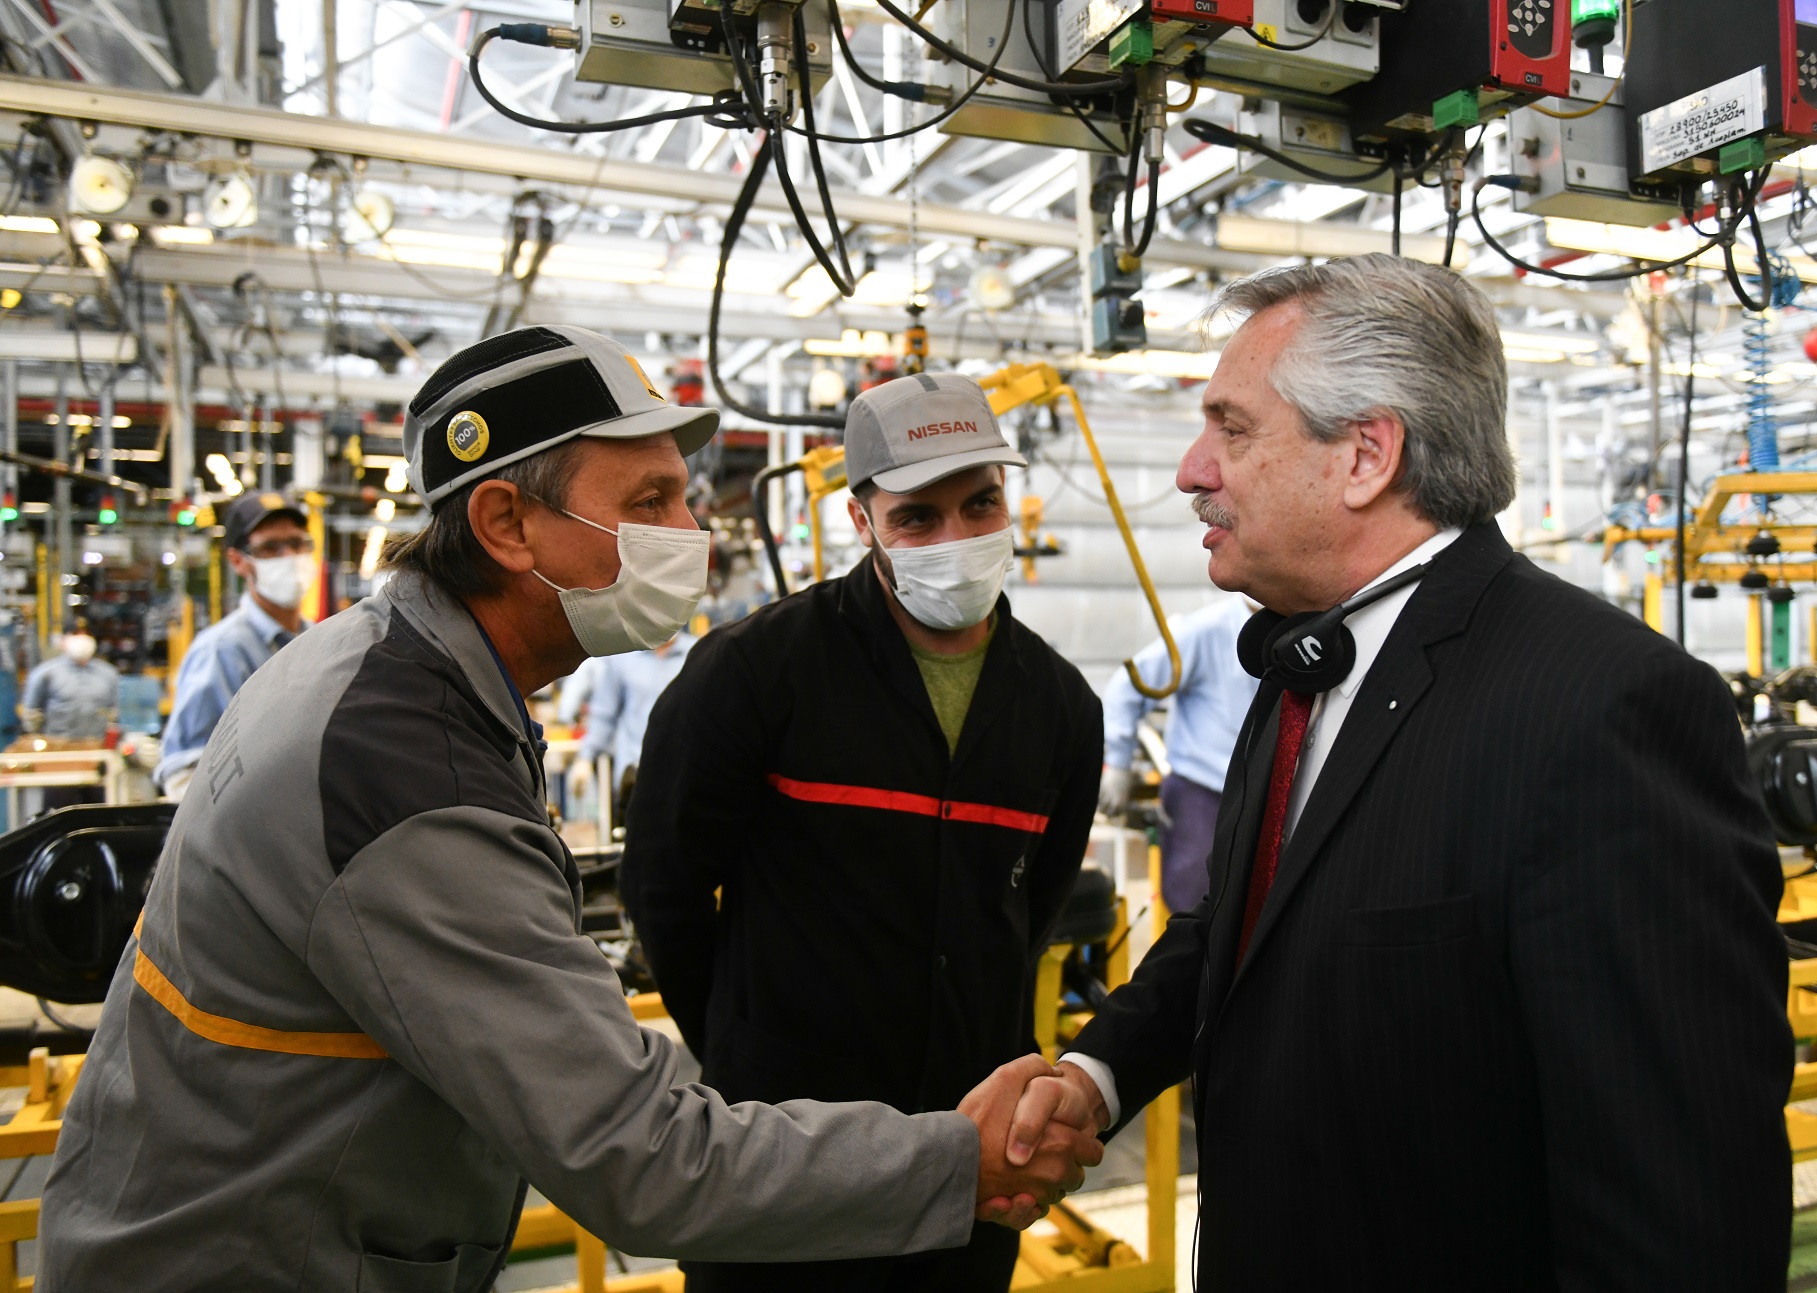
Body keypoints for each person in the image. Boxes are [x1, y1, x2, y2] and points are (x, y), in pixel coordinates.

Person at [40, 325, 1099, 1291]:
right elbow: (636, 1153)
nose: (691, 533)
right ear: (506, 523)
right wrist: (957, 1161)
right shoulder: (407, 764)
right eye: (648, 504)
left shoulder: (391, 677)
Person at [999, 257, 1795, 1289]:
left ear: (1365, 456)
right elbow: (1241, 929)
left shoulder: (1603, 708)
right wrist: (1100, 1075)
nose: (1193, 469)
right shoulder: (1302, 660)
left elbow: (1679, 1204)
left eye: (1231, 428)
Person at [623, 371, 1105, 1293]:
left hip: (971, 1163)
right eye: (919, 518)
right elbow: (665, 888)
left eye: (981, 504)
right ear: (863, 521)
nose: (958, 538)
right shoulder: (754, 674)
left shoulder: (1059, 709)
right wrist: (743, 1052)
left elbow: (1028, 908)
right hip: (782, 1160)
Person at [1098, 595, 1256, 913]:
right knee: (1195, 912)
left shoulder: (1301, 628)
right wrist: (1118, 762)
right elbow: (1126, 688)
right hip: (1204, 797)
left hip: (1267, 796)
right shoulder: (1205, 630)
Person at [154, 491, 315, 799]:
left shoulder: (318, 641)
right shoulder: (222, 651)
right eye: (270, 548)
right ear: (238, 561)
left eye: (297, 543)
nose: (289, 558)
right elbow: (184, 771)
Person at [567, 632, 694, 808]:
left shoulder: (696, 653)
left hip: (685, 775)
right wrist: (586, 758)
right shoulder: (624, 657)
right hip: (634, 776)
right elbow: (605, 715)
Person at [20, 629, 118, 747]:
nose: (81, 640)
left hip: (96, 744)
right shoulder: (45, 673)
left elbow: (115, 712)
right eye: (76, 635)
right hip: (56, 746)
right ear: (64, 640)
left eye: (85, 635)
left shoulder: (108, 674)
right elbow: (31, 713)